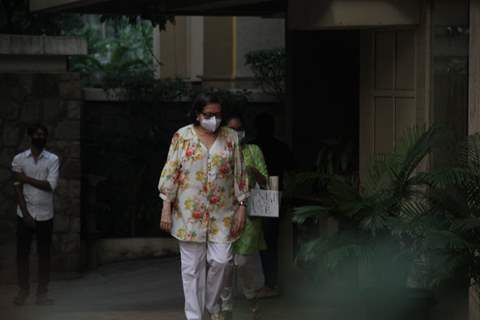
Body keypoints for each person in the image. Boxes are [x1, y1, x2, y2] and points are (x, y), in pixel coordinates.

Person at [158, 93, 249, 320]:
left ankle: (211, 303)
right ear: (198, 115)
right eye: (209, 115)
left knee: (222, 261)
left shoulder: (230, 138)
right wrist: (166, 207)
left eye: (218, 115)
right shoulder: (182, 136)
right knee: (192, 270)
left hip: (223, 213)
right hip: (189, 213)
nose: (214, 119)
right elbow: (171, 172)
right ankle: (195, 317)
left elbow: (240, 173)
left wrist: (242, 205)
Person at [223, 113, 268, 317]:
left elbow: (265, 181)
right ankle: (226, 306)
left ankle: (250, 295)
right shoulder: (220, 151)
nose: (236, 133)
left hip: (249, 213)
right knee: (224, 262)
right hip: (223, 214)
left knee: (241, 261)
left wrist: (251, 170)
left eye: (239, 128)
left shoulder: (253, 150)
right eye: (231, 129)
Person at [11, 124, 60, 306]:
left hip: (45, 215)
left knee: (44, 256)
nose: (40, 137)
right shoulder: (19, 159)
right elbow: (17, 189)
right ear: (30, 136)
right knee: (22, 255)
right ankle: (23, 291)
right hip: (24, 214)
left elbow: (50, 186)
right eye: (37, 134)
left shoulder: (52, 159)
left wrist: (25, 179)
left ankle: (42, 294)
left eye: (43, 134)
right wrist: (25, 214)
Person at [250, 113, 294, 298]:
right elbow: (293, 168)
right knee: (269, 241)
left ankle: (271, 283)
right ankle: (271, 282)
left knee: (265, 241)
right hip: (272, 189)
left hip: (259, 190)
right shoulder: (279, 146)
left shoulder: (252, 147)